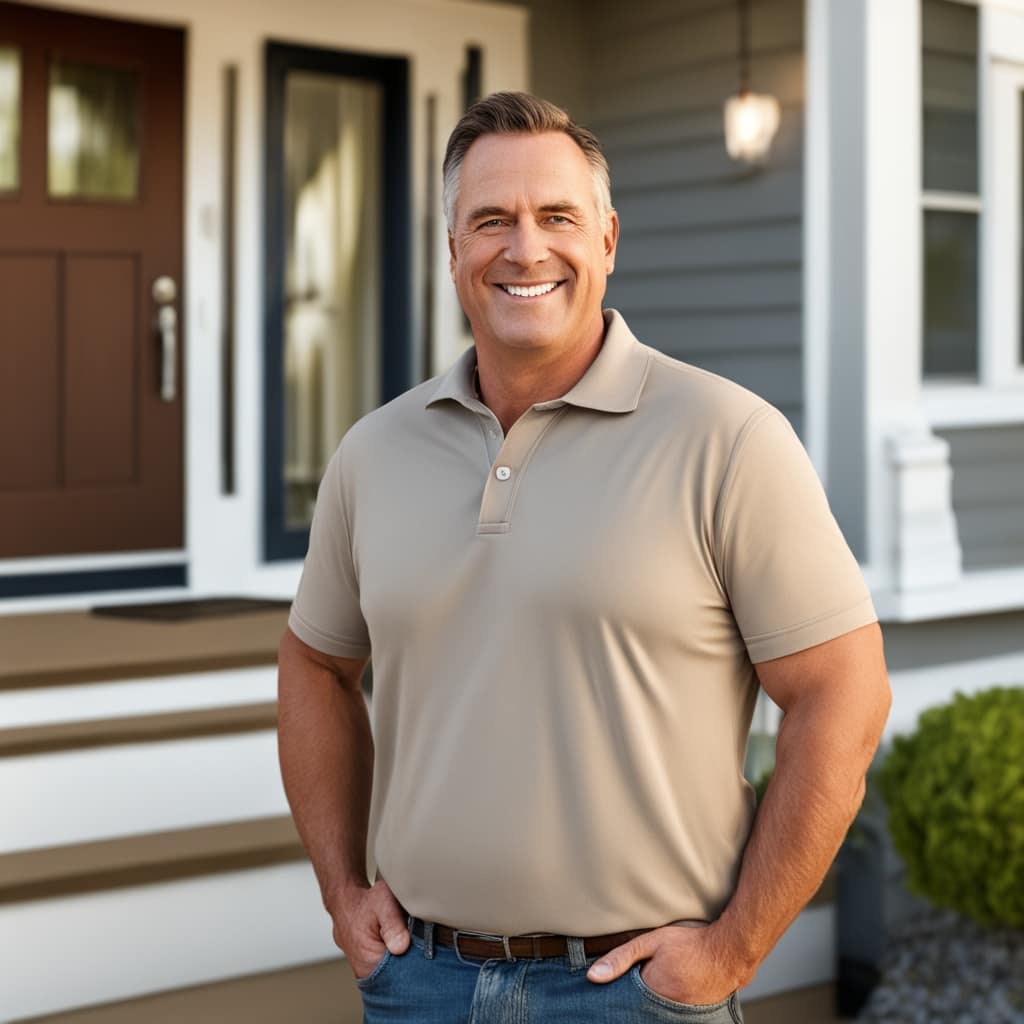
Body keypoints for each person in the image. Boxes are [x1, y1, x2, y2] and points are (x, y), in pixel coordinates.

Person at [277, 91, 892, 1023]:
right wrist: (341, 894)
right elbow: (316, 663)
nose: (525, 250)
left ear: (606, 240)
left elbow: (845, 690)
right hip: (419, 984)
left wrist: (734, 949)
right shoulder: (373, 452)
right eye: (491, 221)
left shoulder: (726, 437)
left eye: (555, 217)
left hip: (635, 995)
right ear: (453, 252)